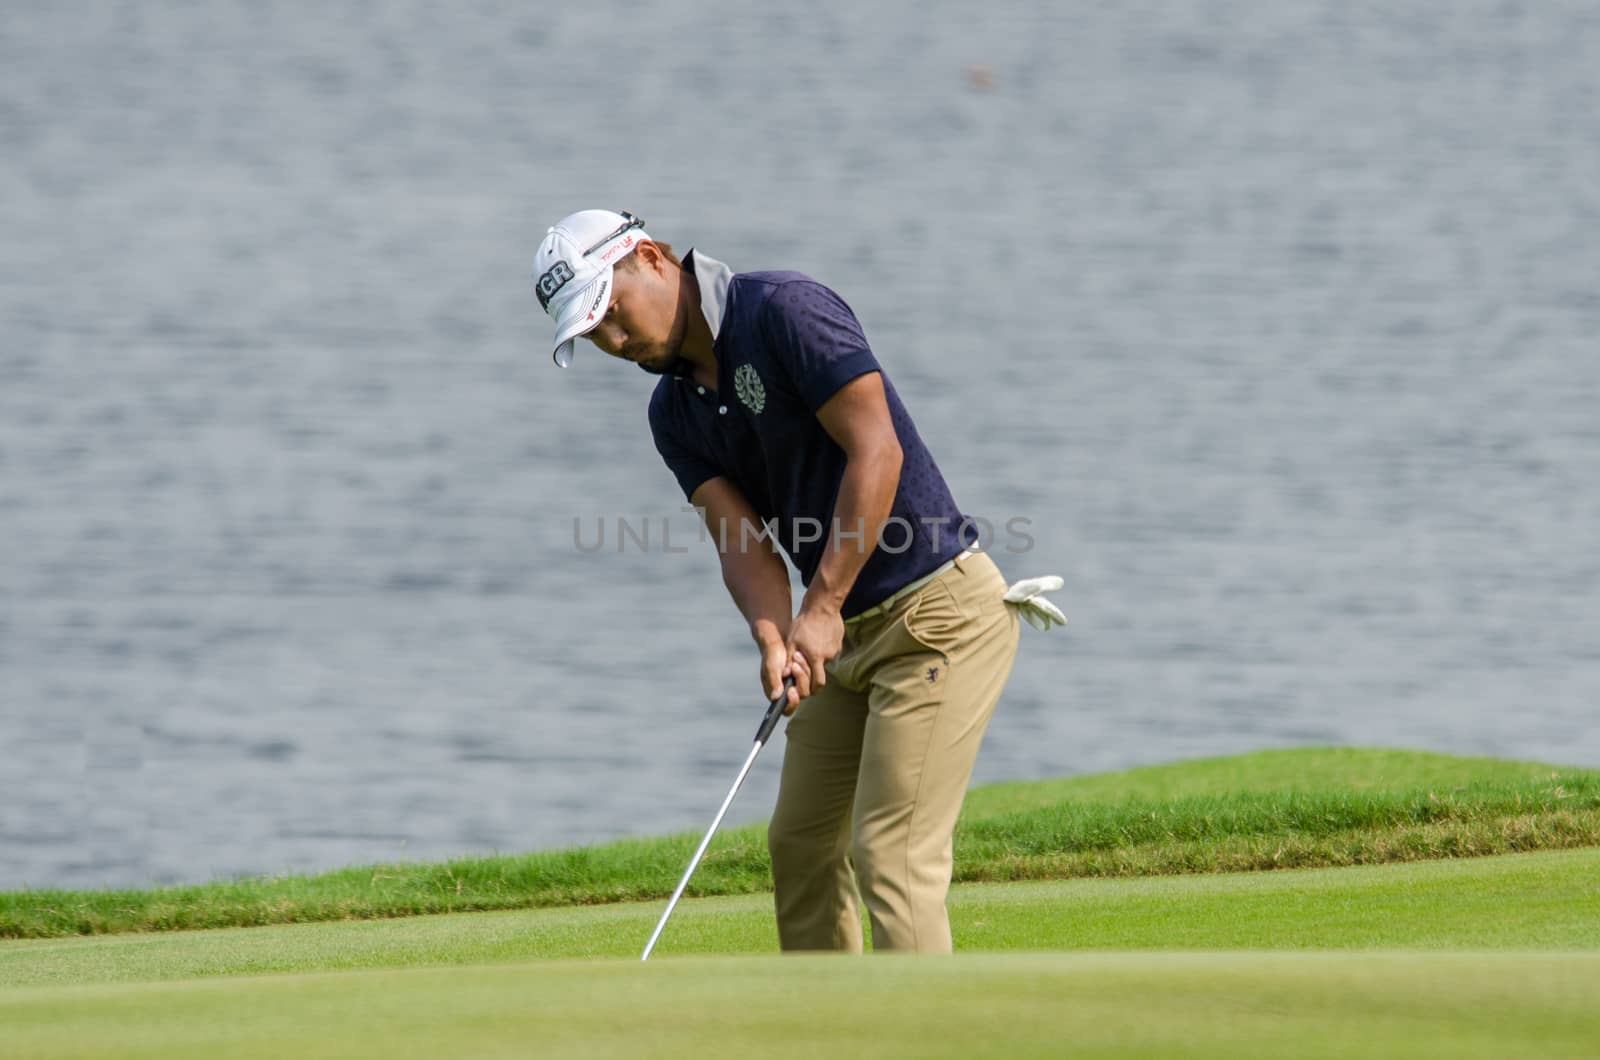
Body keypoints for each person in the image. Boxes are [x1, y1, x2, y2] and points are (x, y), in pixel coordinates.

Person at [533, 209, 1065, 954]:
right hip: (837, 639)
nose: (615, 344)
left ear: (649, 258)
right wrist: (773, 634)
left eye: (611, 314)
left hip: (936, 617)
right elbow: (742, 542)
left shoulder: (782, 309)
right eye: (593, 336)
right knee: (801, 847)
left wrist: (821, 607)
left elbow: (877, 452)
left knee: (893, 855)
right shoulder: (673, 413)